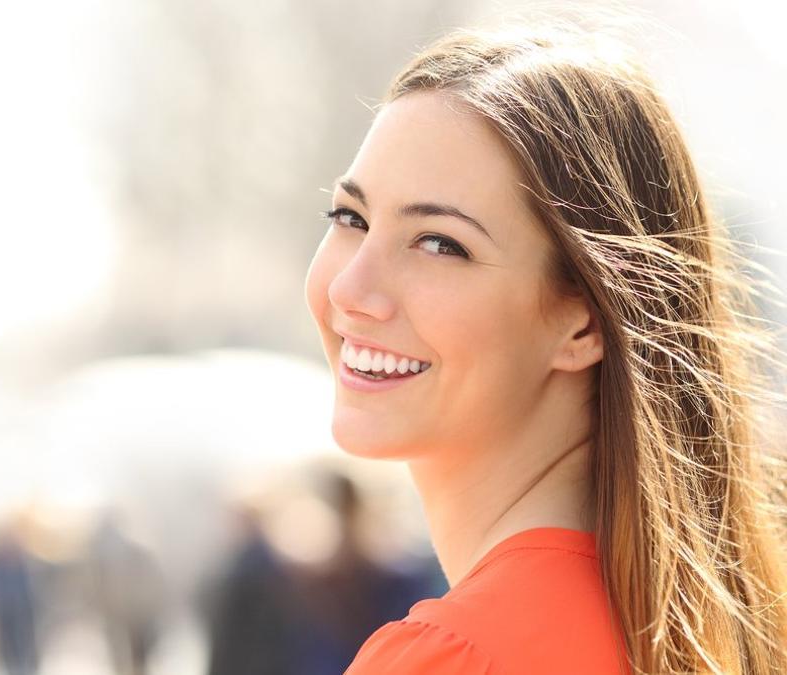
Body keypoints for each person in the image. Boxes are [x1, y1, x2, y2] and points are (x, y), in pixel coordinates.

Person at [303, 13, 787, 675]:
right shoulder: (703, 632)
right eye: (350, 218)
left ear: (583, 321)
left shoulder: (455, 657)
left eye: (441, 243)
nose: (351, 289)